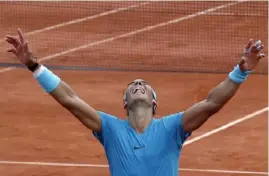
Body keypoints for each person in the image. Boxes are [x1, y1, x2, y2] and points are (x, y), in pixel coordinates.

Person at [5, 28, 265, 176]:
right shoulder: (110, 129)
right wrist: (33, 65)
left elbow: (211, 103)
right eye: (132, 87)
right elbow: (70, 100)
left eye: (144, 86)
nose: (138, 85)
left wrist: (240, 72)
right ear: (125, 103)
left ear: (154, 103)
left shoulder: (172, 128)